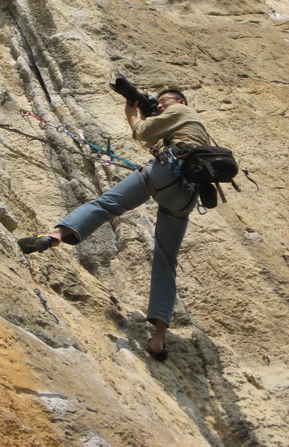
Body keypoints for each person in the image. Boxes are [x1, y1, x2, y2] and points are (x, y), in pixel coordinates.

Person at [18, 89, 210, 361]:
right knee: (166, 259)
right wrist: (147, 113)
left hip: (165, 173)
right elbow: (154, 138)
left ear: (180, 102)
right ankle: (158, 339)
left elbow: (141, 132)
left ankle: (54, 235)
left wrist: (132, 114)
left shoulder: (179, 110)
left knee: (107, 204)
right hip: (188, 194)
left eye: (163, 100)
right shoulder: (193, 127)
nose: (159, 104)